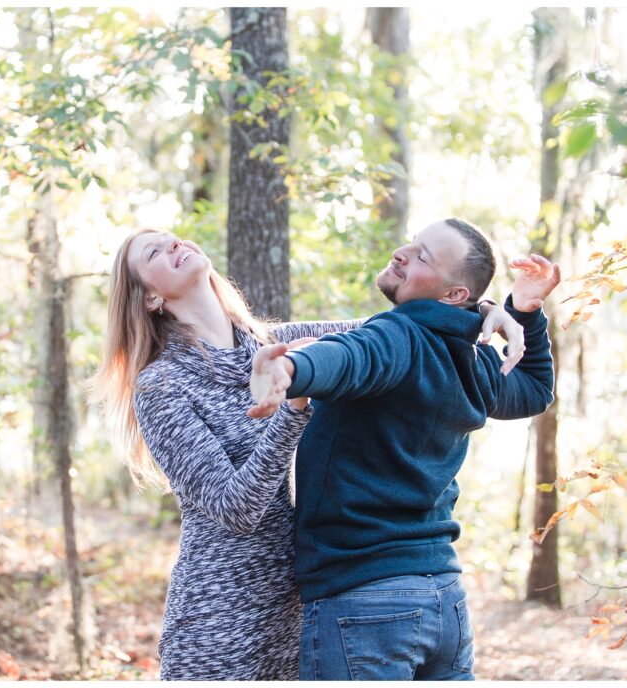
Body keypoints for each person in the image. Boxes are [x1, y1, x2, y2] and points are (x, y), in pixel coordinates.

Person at [90, 228, 528, 680]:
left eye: (174, 239)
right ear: (148, 299)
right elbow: (235, 509)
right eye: (154, 253)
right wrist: (294, 407)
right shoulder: (162, 385)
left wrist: (488, 311)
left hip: (301, 604)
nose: (174, 246)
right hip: (220, 618)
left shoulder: (281, 341)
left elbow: (406, 331)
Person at [248, 217, 560, 681]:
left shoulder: (398, 335)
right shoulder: (471, 360)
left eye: (422, 256)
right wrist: (525, 311)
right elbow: (533, 388)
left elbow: (353, 356)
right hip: (444, 600)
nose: (403, 253)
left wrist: (292, 369)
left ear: (455, 295)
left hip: (364, 600)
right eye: (412, 244)